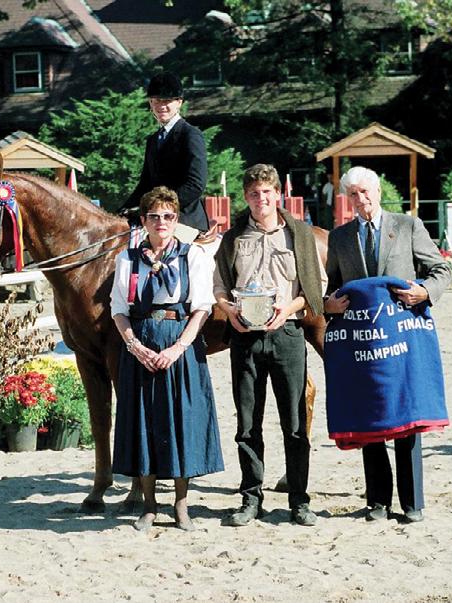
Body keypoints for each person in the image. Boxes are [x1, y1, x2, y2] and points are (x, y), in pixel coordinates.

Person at [324, 166, 451, 523]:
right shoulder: (340, 237)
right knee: (370, 417)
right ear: (347, 199)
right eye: (353, 194)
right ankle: (378, 501)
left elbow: (441, 270)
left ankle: (412, 503)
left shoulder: (408, 226)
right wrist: (327, 305)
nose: (360, 199)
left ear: (378, 192)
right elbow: (331, 287)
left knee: (407, 417)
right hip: (362, 344)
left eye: (365, 191)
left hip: (404, 339)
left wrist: (425, 292)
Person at [213, 164, 325, 527]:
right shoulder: (233, 238)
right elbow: (219, 285)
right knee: (248, 424)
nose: (260, 199)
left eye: (266, 192)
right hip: (245, 337)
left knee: (295, 423)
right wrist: (228, 310)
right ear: (246, 197)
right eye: (253, 193)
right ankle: (251, 498)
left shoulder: (300, 235)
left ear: (278, 194)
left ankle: (299, 500)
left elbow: (316, 287)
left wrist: (288, 309)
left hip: (287, 334)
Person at [110, 186, 224, 532]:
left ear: (176, 221)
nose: (162, 222)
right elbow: (118, 309)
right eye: (154, 216)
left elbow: (202, 308)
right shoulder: (127, 259)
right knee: (144, 423)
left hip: (180, 344)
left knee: (181, 422)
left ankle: (181, 505)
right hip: (141, 344)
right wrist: (134, 346)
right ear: (144, 221)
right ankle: (149, 506)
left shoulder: (192, 256)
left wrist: (177, 349)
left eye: (168, 216)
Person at [119, 72, 209, 242]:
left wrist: (162, 207)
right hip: (157, 219)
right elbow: (145, 184)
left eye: (167, 101)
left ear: (179, 102)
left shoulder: (190, 135)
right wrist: (122, 210)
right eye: (156, 101)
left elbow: (196, 184)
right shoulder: (153, 140)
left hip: (185, 219)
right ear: (150, 103)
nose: (161, 106)